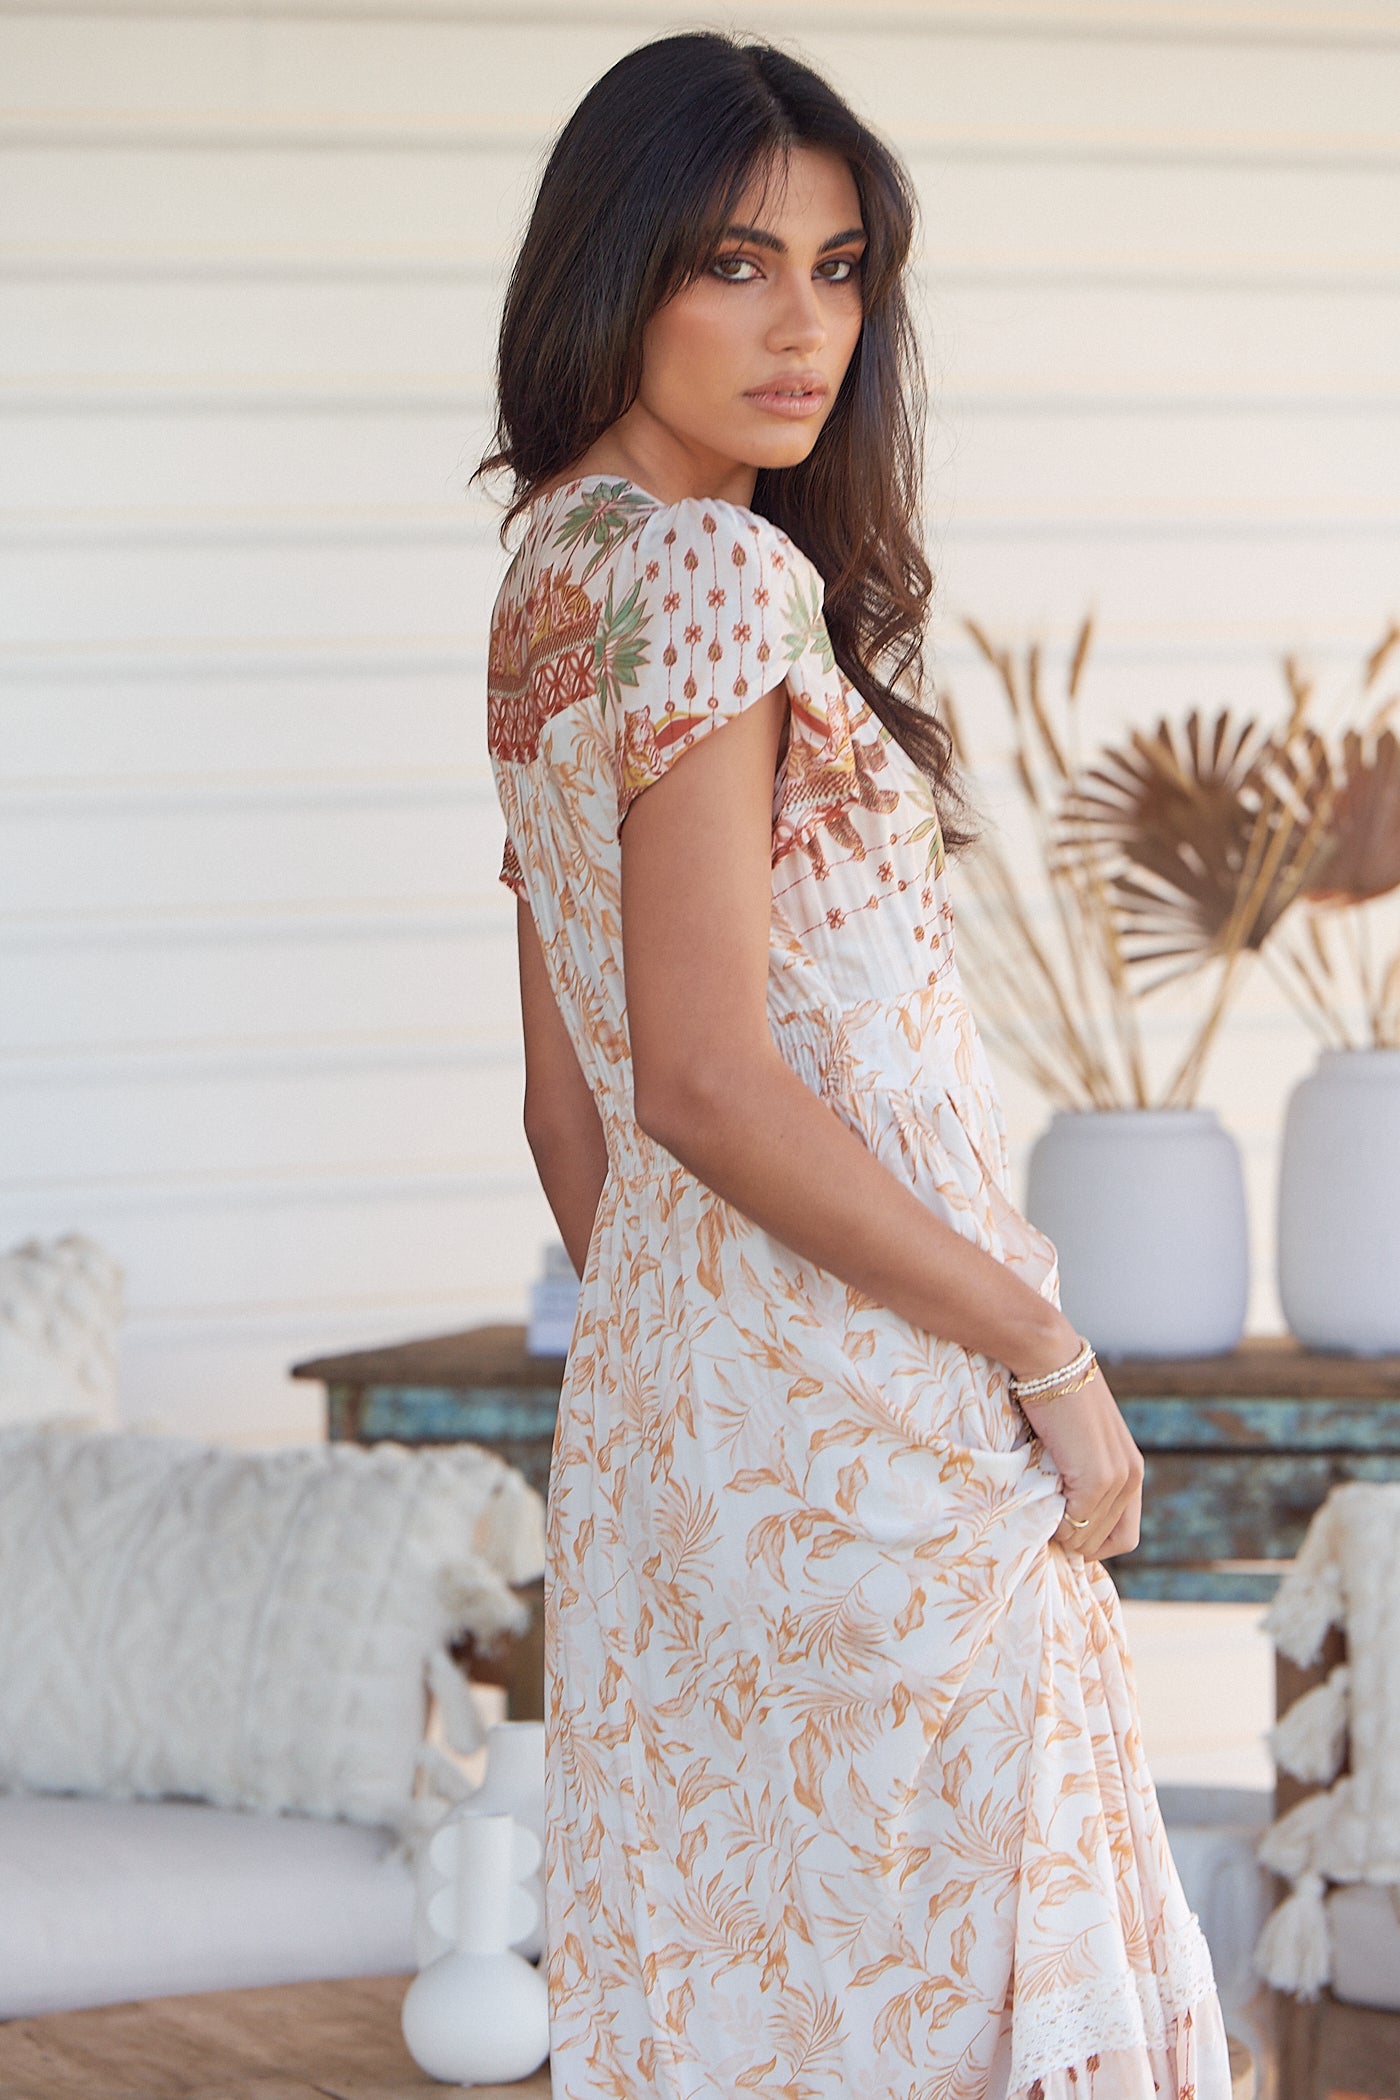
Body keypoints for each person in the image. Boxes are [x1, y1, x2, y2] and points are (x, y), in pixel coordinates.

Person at [481, 30, 1230, 2100]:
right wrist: (1040, 1350)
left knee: (757, 2018)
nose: (802, 327)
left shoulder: (550, 581)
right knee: (976, 2005)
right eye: (734, 264)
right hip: (881, 1427)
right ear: (617, 267)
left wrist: (712, 1372)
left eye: (839, 269)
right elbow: (708, 1082)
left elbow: (570, 1105)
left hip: (672, 1434)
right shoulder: (714, 569)